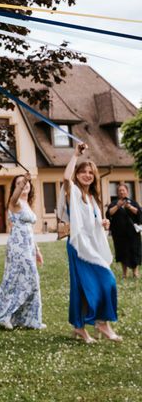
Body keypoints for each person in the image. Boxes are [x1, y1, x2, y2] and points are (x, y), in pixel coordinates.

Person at [60, 143, 120, 343]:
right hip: (78, 247)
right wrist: (75, 155)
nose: (87, 175)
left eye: (91, 173)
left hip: (92, 246)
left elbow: (90, 223)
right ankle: (85, 326)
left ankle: (98, 323)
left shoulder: (92, 198)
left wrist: (102, 222)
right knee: (90, 285)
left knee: (107, 282)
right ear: (77, 174)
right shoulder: (74, 192)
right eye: (83, 172)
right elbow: (65, 178)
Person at [0, 174, 45, 330]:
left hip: (28, 246)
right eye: (19, 183)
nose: (24, 185)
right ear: (15, 188)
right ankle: (3, 315)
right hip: (17, 247)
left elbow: (30, 230)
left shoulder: (27, 203)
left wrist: (37, 250)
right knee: (16, 280)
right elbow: (14, 198)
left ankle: (30, 319)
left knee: (30, 280)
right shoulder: (15, 202)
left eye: (26, 182)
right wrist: (22, 184)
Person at [106, 184, 141, 279]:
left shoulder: (133, 202)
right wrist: (118, 206)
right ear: (117, 192)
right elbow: (109, 213)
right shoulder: (114, 203)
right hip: (119, 234)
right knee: (122, 253)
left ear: (127, 191)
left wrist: (129, 207)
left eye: (123, 190)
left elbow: (139, 213)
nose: (122, 192)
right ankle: (124, 274)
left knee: (134, 251)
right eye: (120, 190)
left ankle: (135, 273)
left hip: (133, 233)